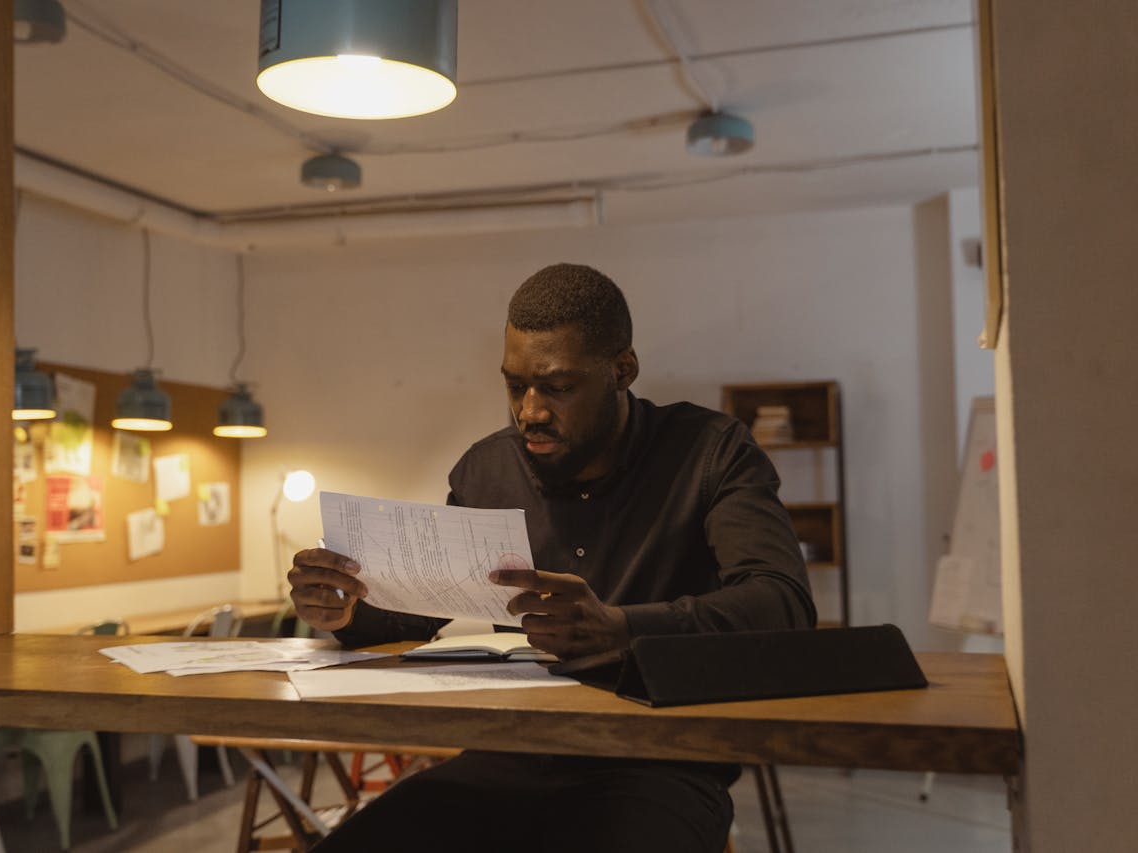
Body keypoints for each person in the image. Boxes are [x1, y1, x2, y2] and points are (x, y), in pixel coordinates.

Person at [288, 262, 816, 852]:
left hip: (662, 761)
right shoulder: (486, 470)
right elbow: (419, 613)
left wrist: (624, 629)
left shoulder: (712, 453)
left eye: (558, 387)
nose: (530, 411)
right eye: (515, 385)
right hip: (509, 753)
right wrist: (344, 608)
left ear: (623, 369)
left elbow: (782, 603)